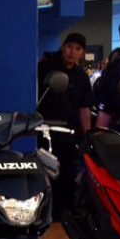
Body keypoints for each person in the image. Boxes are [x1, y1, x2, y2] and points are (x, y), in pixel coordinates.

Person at [36, 32, 93, 220]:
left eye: (77, 49)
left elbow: (84, 109)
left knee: (68, 178)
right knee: (44, 177)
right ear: (63, 47)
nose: (72, 52)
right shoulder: (45, 68)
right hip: (45, 133)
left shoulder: (82, 77)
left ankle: (64, 219)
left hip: (70, 135)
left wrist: (88, 137)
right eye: (69, 47)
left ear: (82, 53)